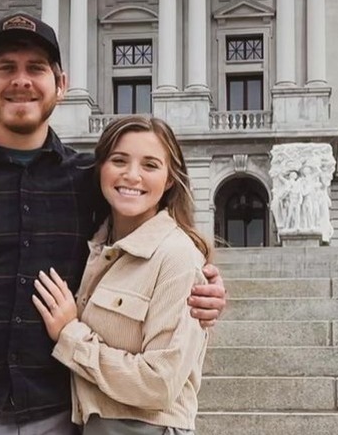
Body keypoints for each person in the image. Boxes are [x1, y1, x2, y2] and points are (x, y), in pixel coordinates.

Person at [0, 12, 226, 435]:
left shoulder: (89, 180)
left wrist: (204, 287)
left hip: (62, 416)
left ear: (61, 84)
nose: (22, 80)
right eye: (6, 68)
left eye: (36, 68)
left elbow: (149, 246)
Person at [33, 115, 210, 434]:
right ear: (100, 167)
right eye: (119, 160)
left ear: (170, 179)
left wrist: (70, 335)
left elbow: (159, 383)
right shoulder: (94, 245)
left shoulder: (178, 256)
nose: (132, 175)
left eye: (150, 165)